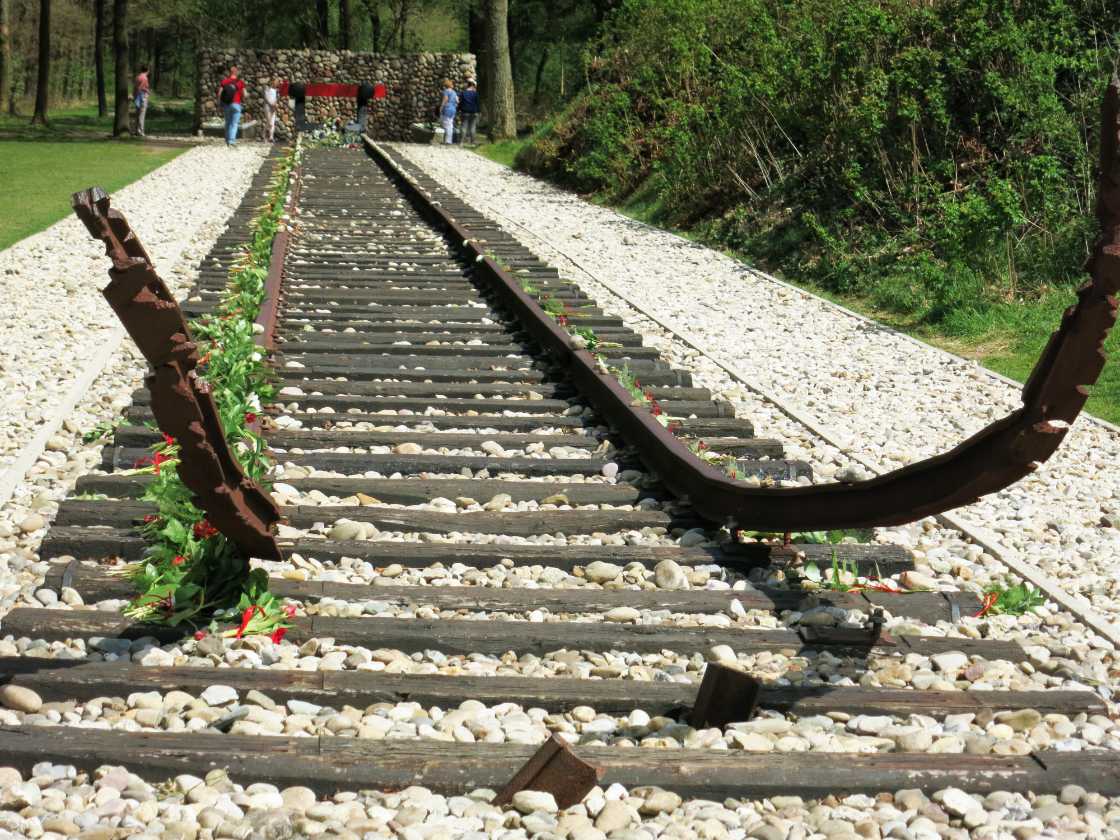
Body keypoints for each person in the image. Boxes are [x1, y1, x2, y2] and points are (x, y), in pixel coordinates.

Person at [218, 66, 246, 147]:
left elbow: (219, 93)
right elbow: (244, 94)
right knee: (234, 124)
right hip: (236, 104)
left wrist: (219, 104)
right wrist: (243, 99)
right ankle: (231, 141)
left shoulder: (225, 81)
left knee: (228, 123)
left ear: (230, 72)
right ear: (236, 72)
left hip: (226, 105)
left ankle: (227, 140)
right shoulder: (240, 82)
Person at [459, 79, 480, 145]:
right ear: (473, 85)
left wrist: (459, 109)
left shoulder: (463, 93)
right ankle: (472, 142)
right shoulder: (475, 93)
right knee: (472, 127)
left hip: (465, 112)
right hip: (474, 112)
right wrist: (479, 111)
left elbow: (461, 103)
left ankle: (461, 142)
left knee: (464, 126)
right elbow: (477, 103)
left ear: (468, 85)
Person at [438, 78, 458, 145]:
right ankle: (448, 140)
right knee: (450, 125)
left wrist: (441, 107)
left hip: (447, 109)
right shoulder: (454, 92)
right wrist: (454, 105)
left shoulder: (446, 91)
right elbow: (457, 101)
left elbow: (445, 99)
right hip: (453, 109)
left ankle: (447, 141)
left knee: (446, 125)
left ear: (446, 86)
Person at [133, 65, 150, 137]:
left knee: (137, 114)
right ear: (147, 70)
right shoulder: (145, 78)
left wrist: (134, 95)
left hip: (137, 96)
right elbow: (142, 87)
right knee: (142, 114)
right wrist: (148, 91)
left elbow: (135, 87)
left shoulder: (137, 77)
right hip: (142, 96)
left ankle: (136, 130)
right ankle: (141, 131)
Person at [262, 78, 279, 143]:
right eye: (276, 82)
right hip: (267, 107)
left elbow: (276, 99)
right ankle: (263, 135)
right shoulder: (267, 88)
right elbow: (266, 98)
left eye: (277, 82)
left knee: (272, 122)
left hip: (273, 107)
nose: (277, 83)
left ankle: (271, 137)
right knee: (269, 123)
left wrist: (275, 104)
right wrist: (271, 104)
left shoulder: (276, 90)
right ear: (272, 82)